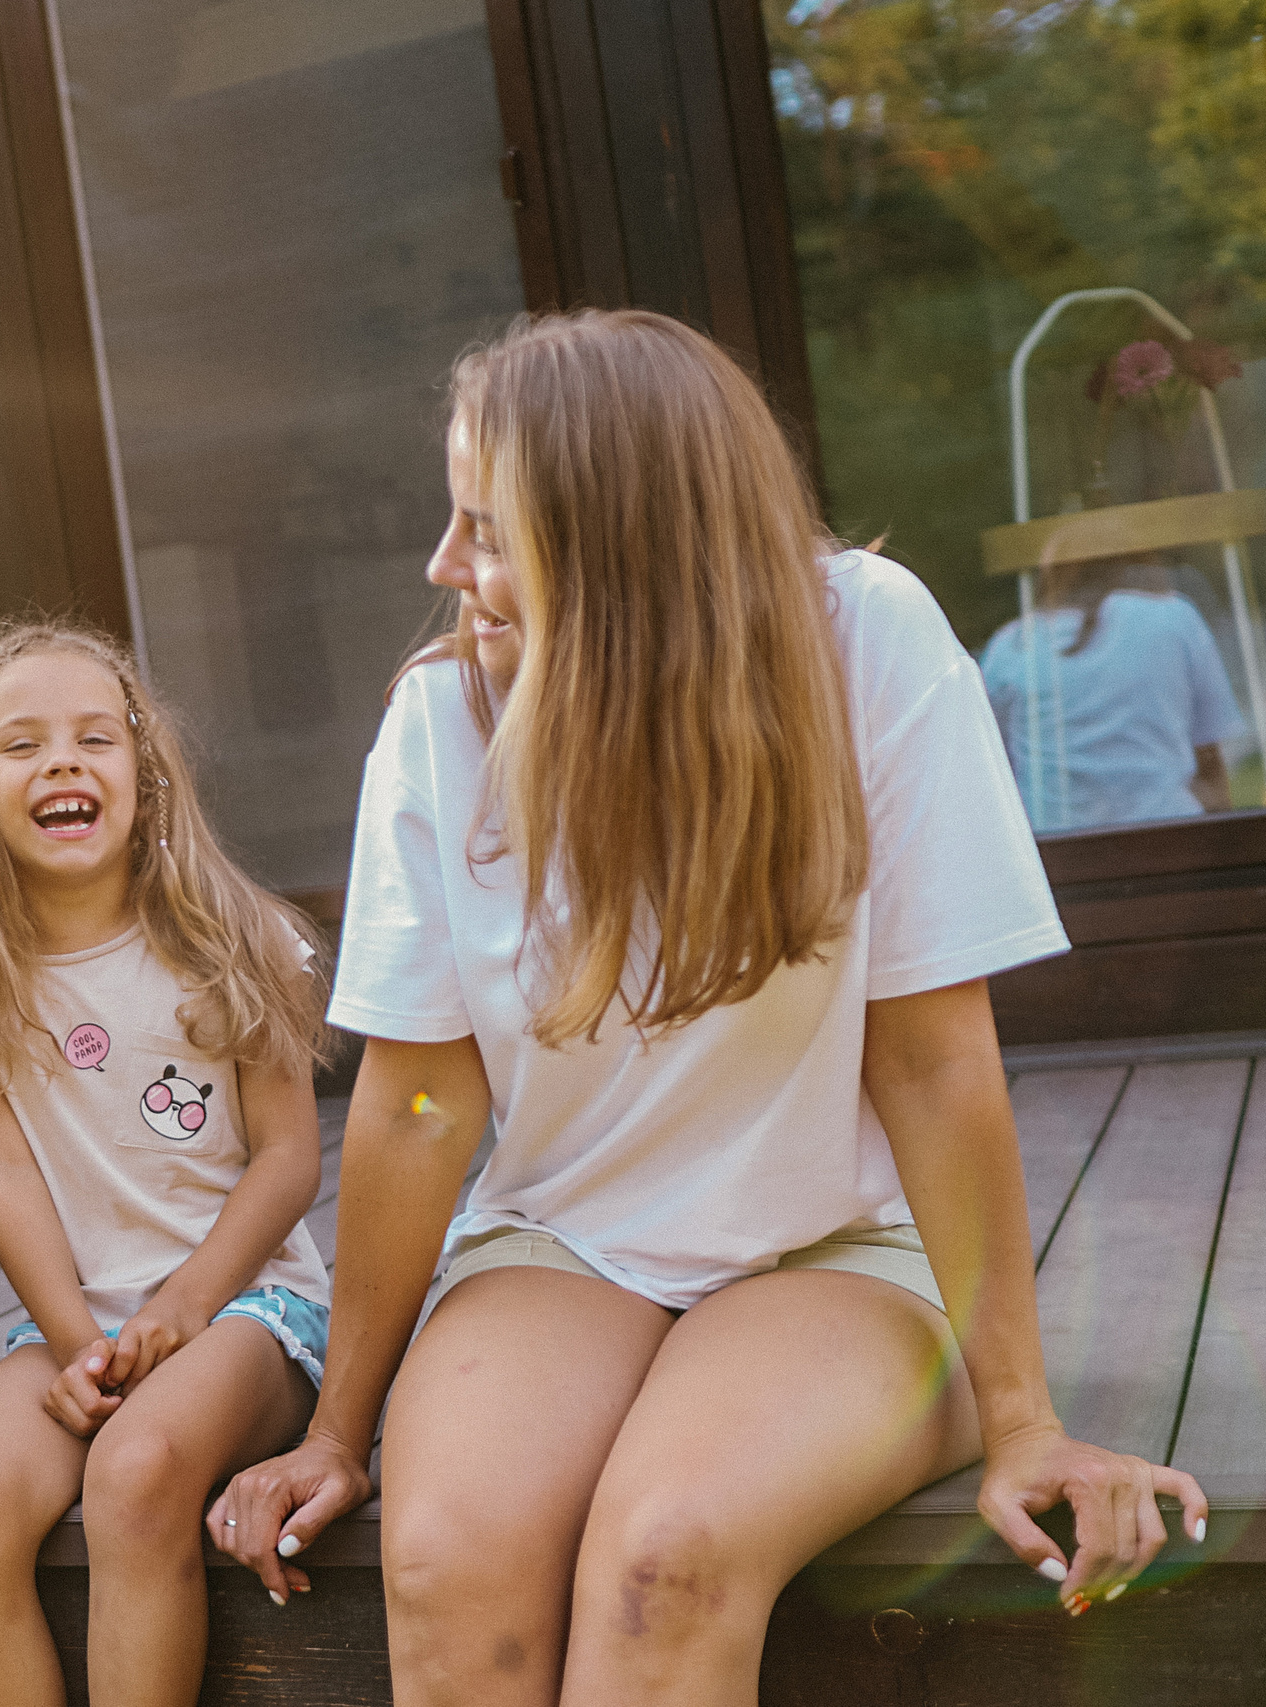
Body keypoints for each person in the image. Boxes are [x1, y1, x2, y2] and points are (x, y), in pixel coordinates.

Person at [212, 311, 1210, 1707]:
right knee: (446, 1558)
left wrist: (1022, 1418)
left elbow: (931, 1062)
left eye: (486, 528)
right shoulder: (441, 725)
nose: (446, 570)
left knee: (663, 1559)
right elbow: (416, 1100)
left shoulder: (865, 638)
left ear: (618, 536)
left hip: (843, 1245)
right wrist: (337, 1427)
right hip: (563, 1238)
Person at [0, 621, 332, 1707]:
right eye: (22, 745)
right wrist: (75, 1342)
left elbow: (288, 1159)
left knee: (135, 1472)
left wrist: (187, 1303)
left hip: (248, 1311)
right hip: (72, 1323)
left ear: (144, 772)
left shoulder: (237, 938)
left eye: (96, 737)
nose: (62, 763)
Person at [979, 554, 1247, 830]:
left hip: (1053, 850)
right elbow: (1209, 762)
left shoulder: (1011, 644)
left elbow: (991, 771)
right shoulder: (1173, 618)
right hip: (1170, 839)